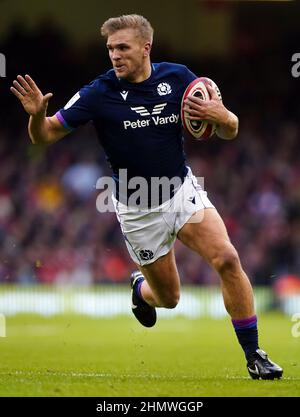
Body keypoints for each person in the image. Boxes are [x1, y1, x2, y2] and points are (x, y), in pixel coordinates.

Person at [11, 14, 282, 380]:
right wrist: (36, 117)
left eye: (122, 47)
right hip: (138, 208)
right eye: (110, 49)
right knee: (169, 298)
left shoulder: (180, 79)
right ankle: (141, 288)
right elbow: (43, 136)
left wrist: (223, 116)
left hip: (182, 190)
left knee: (228, 259)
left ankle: (255, 355)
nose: (115, 55)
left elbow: (229, 129)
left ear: (145, 47)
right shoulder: (98, 93)